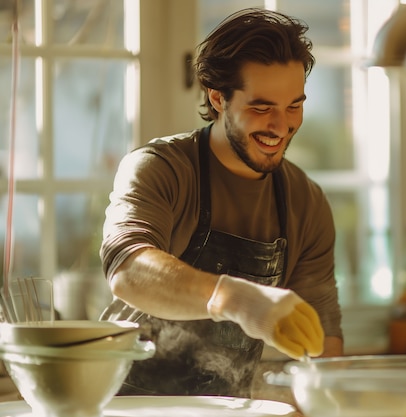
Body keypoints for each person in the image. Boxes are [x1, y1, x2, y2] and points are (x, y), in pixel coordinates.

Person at [98, 8, 344, 398]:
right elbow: (128, 269)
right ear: (218, 98)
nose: (281, 127)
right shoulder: (161, 169)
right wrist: (237, 299)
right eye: (262, 107)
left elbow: (324, 347)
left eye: (293, 106)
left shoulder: (305, 201)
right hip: (122, 406)